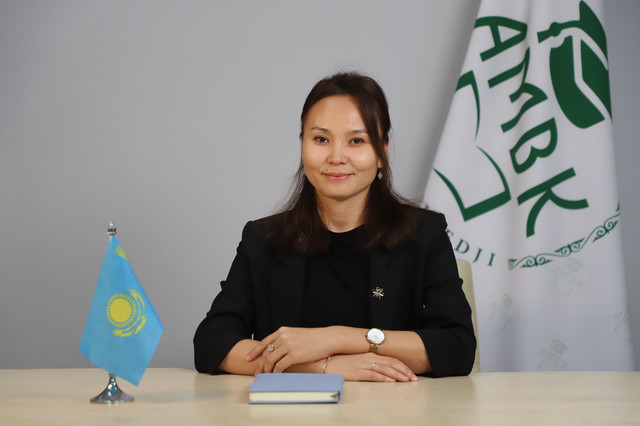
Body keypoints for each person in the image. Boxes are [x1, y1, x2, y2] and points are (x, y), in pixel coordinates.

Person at [194, 72, 476, 381]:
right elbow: (212, 343)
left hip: (392, 406)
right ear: (302, 146)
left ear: (381, 153)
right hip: (290, 408)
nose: (337, 157)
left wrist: (338, 338)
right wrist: (323, 368)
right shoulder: (263, 239)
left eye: (356, 141)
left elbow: (457, 347)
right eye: (321, 139)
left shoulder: (423, 234)